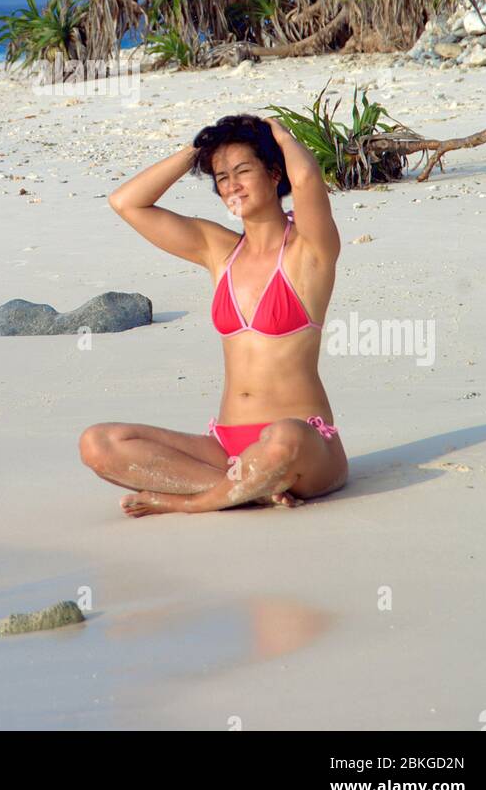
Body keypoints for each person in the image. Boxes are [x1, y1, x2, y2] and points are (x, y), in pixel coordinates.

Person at [79, 114, 347, 516]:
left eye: (242, 171)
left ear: (275, 174)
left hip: (302, 447)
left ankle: (193, 503)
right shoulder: (218, 251)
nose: (232, 185)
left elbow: (308, 179)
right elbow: (127, 202)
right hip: (226, 448)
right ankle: (248, 489)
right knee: (97, 443)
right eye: (221, 178)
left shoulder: (309, 251)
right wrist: (199, 148)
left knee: (283, 437)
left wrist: (279, 133)